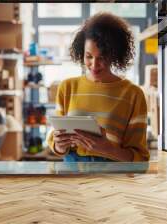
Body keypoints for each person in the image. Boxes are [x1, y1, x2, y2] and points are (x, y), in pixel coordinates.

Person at [47, 12, 150, 162]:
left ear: (115, 55)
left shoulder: (133, 94)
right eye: (89, 56)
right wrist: (60, 145)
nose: (94, 65)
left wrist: (107, 149)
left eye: (102, 57)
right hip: (72, 176)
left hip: (113, 178)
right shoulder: (67, 87)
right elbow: (55, 141)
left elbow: (140, 158)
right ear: (81, 52)